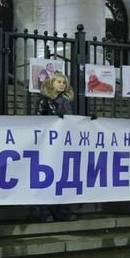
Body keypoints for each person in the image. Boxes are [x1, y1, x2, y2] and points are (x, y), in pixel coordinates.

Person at [34, 73, 78, 221]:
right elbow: (38, 121)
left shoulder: (66, 101)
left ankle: (61, 210)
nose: (62, 85)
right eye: (59, 82)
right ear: (51, 83)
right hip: (47, 145)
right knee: (45, 178)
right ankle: (44, 210)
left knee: (62, 178)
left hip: (62, 144)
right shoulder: (44, 101)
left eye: (64, 83)